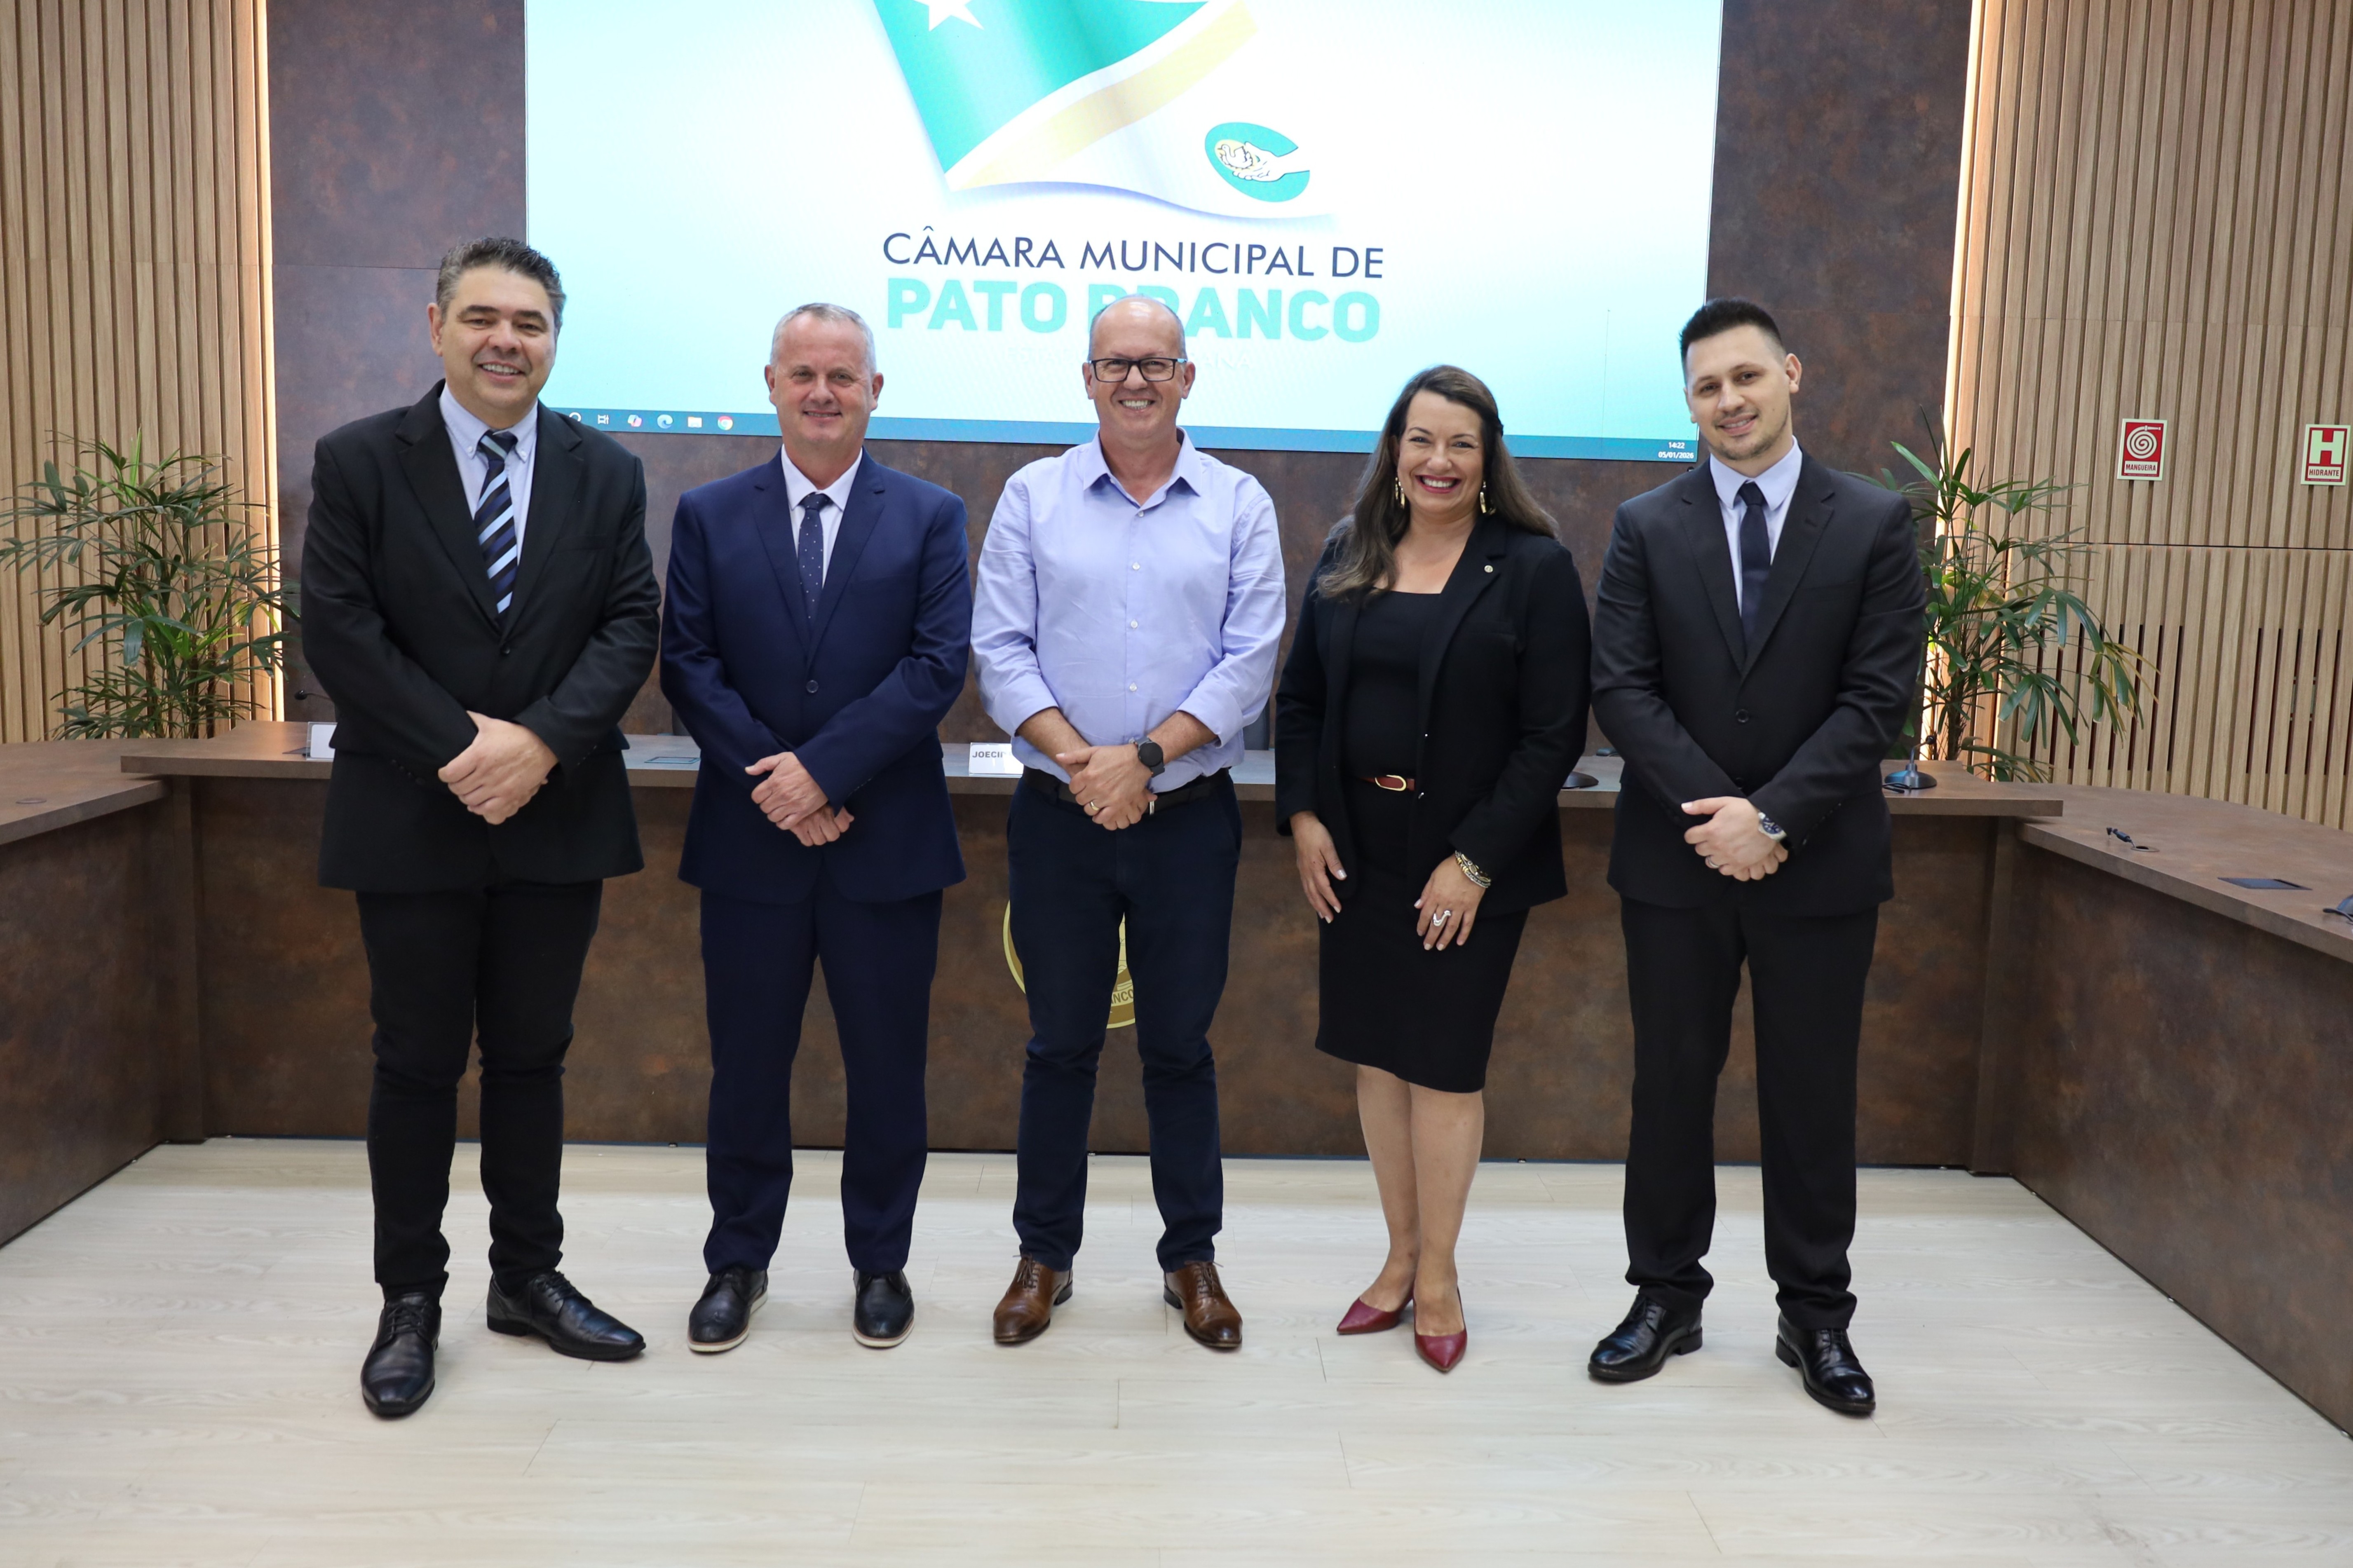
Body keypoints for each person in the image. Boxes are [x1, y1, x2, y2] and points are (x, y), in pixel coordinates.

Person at [301, 237, 661, 1418]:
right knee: (414, 1062)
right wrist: (465, 749)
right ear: (437, 326)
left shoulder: (606, 471)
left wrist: (540, 743)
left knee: (531, 1057)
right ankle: (410, 1298)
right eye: (483, 318)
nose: (507, 340)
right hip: (412, 807)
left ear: (554, 340)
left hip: (556, 810)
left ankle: (527, 1278)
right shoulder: (362, 459)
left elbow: (629, 623)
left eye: (530, 323)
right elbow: (340, 629)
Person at [1585, 298, 1926, 1415]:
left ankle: (1814, 1315)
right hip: (1674, 862)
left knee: (1811, 1094)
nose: (1727, 401)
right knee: (1668, 1086)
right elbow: (1620, 686)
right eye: (1705, 387)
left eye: (1745, 376)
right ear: (1688, 404)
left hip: (1819, 865)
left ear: (1790, 372)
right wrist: (1717, 815)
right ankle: (1663, 1296)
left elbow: (1877, 699)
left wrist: (1770, 818)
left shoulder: (1871, 521)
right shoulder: (1645, 524)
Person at [970, 295, 1285, 1350]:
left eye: (1156, 363)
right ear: (1087, 378)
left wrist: (1142, 762)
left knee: (1178, 1047)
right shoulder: (1033, 496)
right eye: (1116, 363)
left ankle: (1190, 1258)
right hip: (1058, 816)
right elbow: (1000, 650)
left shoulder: (1238, 503)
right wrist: (1087, 766)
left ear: (1187, 377)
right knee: (1058, 1044)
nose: (1136, 380)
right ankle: (1042, 1258)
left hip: (1186, 820)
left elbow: (1248, 659)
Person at [659, 304, 972, 1353]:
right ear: (771, 384)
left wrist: (824, 773)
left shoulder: (930, 515)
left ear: (874, 391)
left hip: (885, 843)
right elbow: (688, 664)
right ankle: (737, 1262)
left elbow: (935, 666)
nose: (823, 393)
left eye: (843, 375)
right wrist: (780, 782)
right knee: (747, 1068)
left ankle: (880, 1262)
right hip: (751, 842)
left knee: (886, 1069)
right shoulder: (708, 515)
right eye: (803, 374)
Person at [1274, 366, 1591, 1374]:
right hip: (1355, 853)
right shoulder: (1350, 549)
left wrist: (1473, 861)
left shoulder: (1532, 568)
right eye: (1420, 440)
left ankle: (1441, 1275)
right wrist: (1303, 817)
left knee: (1443, 1065)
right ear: (1393, 449)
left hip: (1465, 865)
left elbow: (1551, 735)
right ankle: (1398, 1255)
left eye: (1459, 443)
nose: (1437, 461)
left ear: (1487, 458)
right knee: (1377, 1057)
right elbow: (1300, 701)